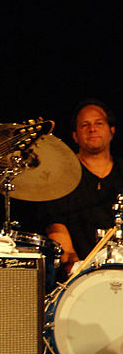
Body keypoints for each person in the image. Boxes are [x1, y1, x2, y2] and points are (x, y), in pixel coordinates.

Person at [42, 99, 123, 277]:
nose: (92, 129)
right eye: (84, 125)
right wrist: (74, 267)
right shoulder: (61, 177)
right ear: (75, 136)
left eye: (98, 123)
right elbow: (57, 228)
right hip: (80, 275)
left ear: (112, 131)